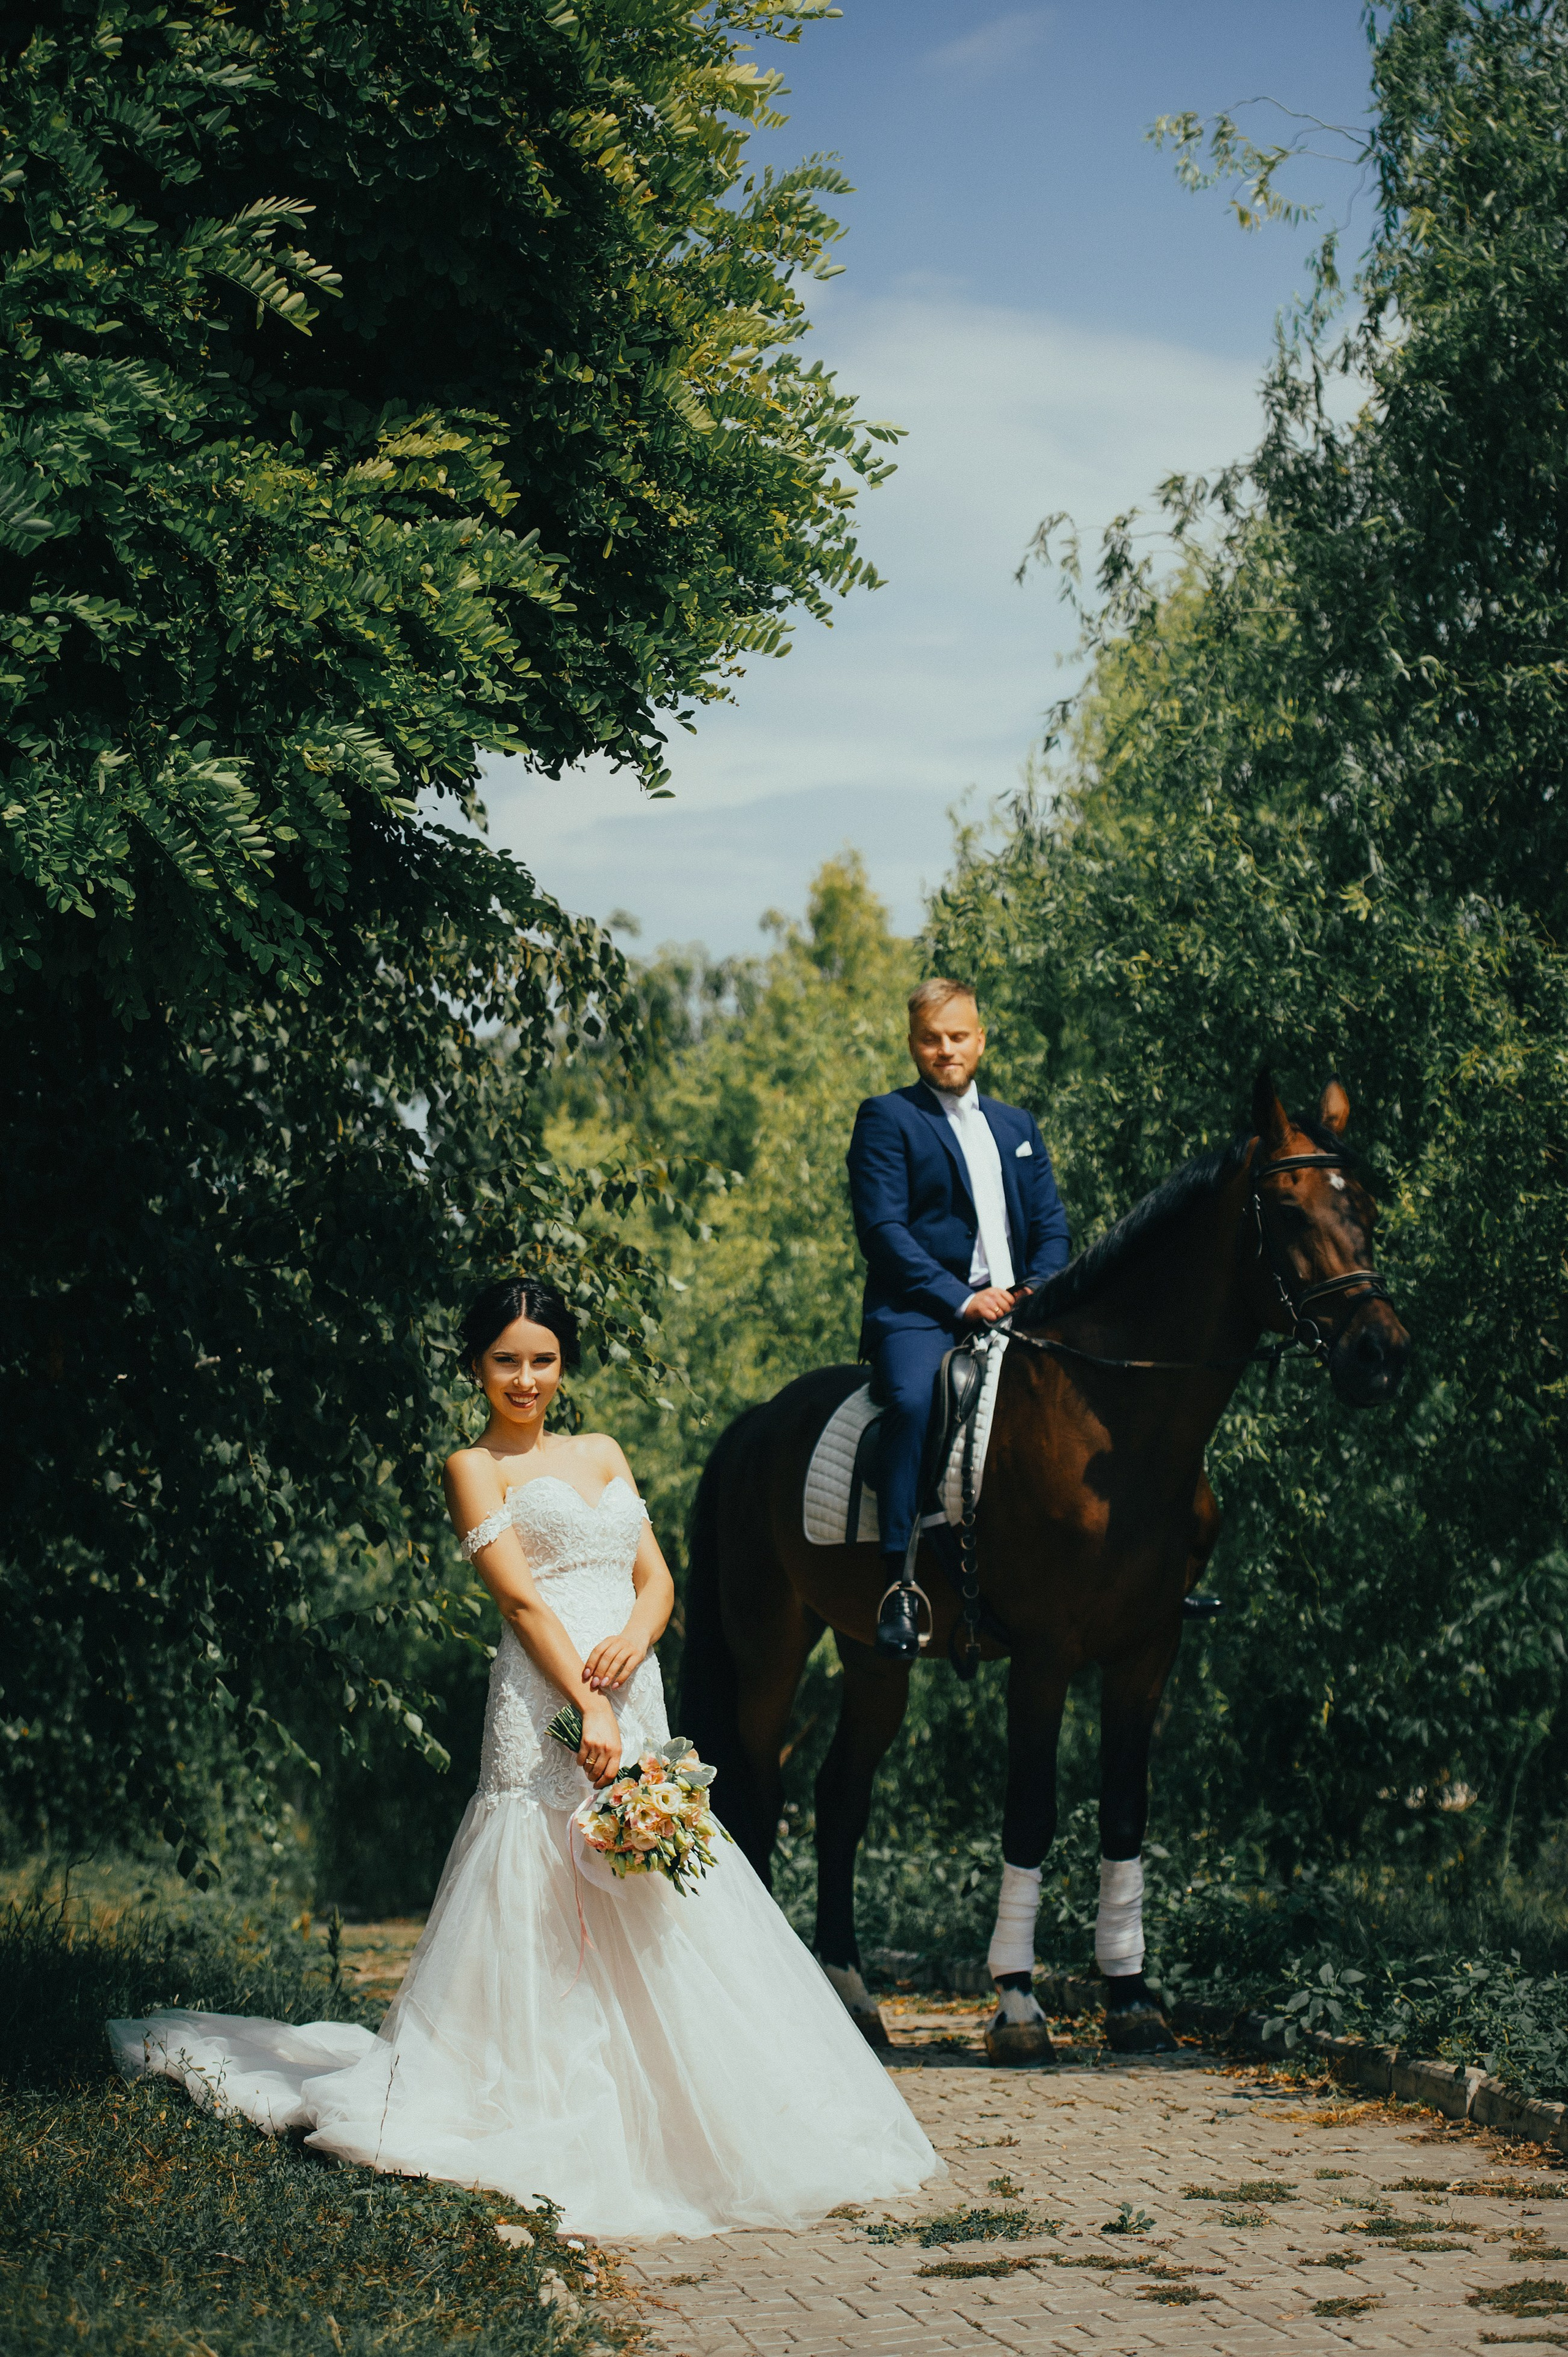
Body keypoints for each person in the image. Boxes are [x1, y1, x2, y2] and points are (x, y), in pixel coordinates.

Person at [111, 1277, 939, 2238]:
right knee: (541, 1881)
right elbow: (519, 1602)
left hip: (631, 1690)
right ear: (476, 1366)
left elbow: (658, 1575)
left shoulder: (602, 1452)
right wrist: (583, 1703)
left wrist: (635, 1642)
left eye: (542, 1359)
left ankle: (683, 2109)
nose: (526, 1378)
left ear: (562, 1364)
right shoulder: (473, 1466)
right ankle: (544, 2095)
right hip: (546, 1695)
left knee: (655, 1886)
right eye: (506, 1360)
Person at [846, 980, 1071, 1660]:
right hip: (922, 1313)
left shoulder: (1018, 1126)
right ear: (912, 1042)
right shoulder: (887, 1118)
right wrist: (960, 1298)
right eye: (930, 1038)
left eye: (957, 1036)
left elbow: (1053, 1229)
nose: (944, 1049)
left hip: (1021, 1308)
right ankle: (898, 1581)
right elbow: (883, 1230)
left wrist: (1036, 1287)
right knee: (915, 1402)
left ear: (981, 1038)